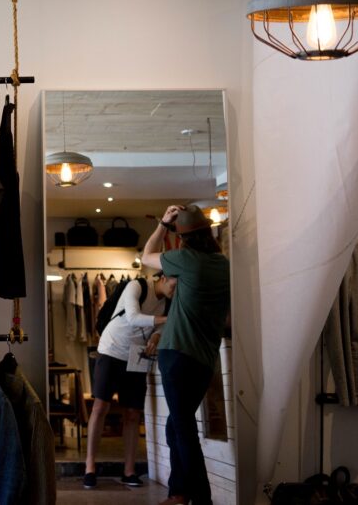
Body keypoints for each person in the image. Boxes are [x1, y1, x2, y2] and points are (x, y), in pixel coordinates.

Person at [142, 205, 230, 505]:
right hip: (204, 359)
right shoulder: (224, 264)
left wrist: (162, 224)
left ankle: (201, 498)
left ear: (183, 239)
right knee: (177, 424)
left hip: (177, 353)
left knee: (183, 428)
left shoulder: (183, 259)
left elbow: (146, 256)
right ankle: (179, 492)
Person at [83, 272, 177, 490]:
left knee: (133, 413)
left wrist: (156, 334)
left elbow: (160, 328)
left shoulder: (169, 303)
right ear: (163, 277)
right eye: (175, 282)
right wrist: (165, 320)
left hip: (138, 353)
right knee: (100, 406)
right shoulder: (137, 285)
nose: (176, 287)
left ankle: (129, 470)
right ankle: (89, 467)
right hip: (112, 348)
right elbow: (133, 317)